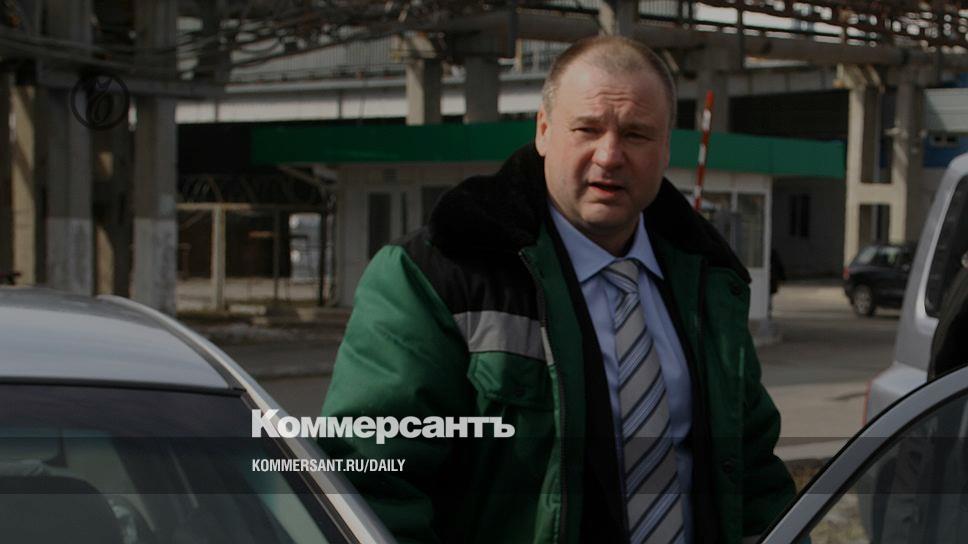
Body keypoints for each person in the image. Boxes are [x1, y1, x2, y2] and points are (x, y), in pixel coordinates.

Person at [320, 35, 795, 544]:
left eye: (636, 134)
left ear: (665, 150)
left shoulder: (709, 282)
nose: (609, 155)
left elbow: (753, 474)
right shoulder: (439, 274)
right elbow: (368, 482)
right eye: (587, 129)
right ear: (543, 132)